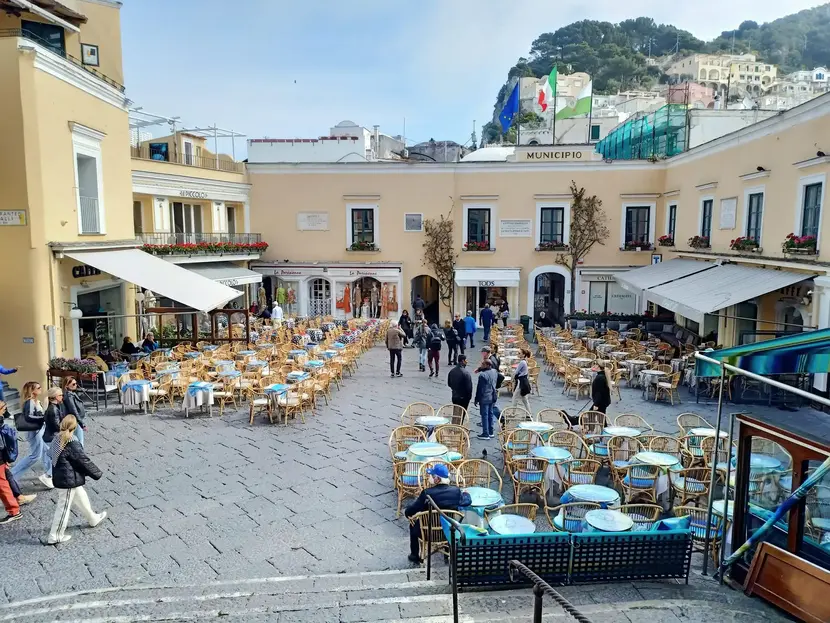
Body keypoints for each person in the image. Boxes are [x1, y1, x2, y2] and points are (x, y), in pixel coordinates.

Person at [47, 415, 106, 545]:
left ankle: (92, 518)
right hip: (67, 480)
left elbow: (49, 454)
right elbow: (83, 460)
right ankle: (55, 535)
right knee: (64, 507)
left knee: (81, 495)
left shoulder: (57, 438)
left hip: (62, 475)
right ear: (74, 427)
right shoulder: (72, 441)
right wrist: (97, 473)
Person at [404, 463, 471, 564]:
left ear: (437, 479)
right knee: (450, 520)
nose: (429, 477)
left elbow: (411, 511)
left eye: (431, 475)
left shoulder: (427, 493)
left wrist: (407, 513)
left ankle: (414, 555)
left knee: (412, 525)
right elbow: (466, 502)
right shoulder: (456, 491)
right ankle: (446, 552)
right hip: (448, 530)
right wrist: (466, 493)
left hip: (427, 532)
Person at [10, 381, 53, 489]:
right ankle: (11, 475)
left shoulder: (36, 401)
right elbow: (28, 417)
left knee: (46, 452)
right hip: (35, 432)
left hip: (39, 430)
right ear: (32, 390)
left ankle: (50, 475)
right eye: (38, 387)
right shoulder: (30, 402)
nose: (40, 388)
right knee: (35, 456)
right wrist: (43, 418)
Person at [474, 359, 498, 440]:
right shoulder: (494, 371)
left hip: (484, 397)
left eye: (483, 364)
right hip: (492, 395)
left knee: (484, 415)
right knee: (490, 414)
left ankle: (485, 433)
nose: (481, 366)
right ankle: (491, 432)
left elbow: (480, 389)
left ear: (487, 365)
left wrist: (476, 399)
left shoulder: (482, 375)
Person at [61, 377, 87, 447]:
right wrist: (82, 423)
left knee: (75, 439)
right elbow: (74, 410)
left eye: (76, 383)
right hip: (75, 421)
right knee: (79, 440)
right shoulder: (69, 396)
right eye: (73, 384)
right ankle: (80, 456)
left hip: (75, 420)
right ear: (66, 386)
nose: (75, 385)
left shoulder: (71, 394)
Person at [511, 348, 532, 414]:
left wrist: (512, 378)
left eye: (519, 353)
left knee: (515, 397)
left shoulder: (522, 362)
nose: (518, 354)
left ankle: (513, 413)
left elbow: (516, 372)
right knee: (524, 399)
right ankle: (529, 414)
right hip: (523, 381)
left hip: (521, 382)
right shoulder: (524, 361)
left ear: (523, 355)